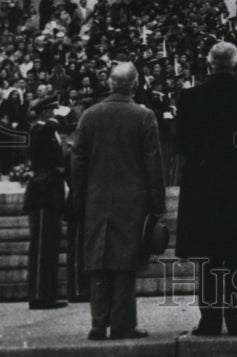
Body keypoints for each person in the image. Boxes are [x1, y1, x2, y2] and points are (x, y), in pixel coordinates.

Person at [175, 41, 237, 336]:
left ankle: (210, 319)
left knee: (208, 256)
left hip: (203, 182)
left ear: (209, 64)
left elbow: (179, 142)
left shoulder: (189, 97)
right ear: (236, 63)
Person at [71, 62, 166, 340]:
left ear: (110, 84)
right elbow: (153, 163)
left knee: (99, 261)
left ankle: (98, 323)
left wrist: (78, 200)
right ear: (135, 84)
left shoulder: (89, 116)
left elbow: (77, 162)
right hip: (132, 201)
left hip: (96, 199)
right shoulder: (144, 116)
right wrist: (157, 204)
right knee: (125, 263)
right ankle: (123, 324)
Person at [23, 94, 67, 309]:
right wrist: (52, 122)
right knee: (41, 247)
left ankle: (47, 294)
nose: (54, 112)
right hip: (42, 191)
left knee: (50, 247)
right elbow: (42, 134)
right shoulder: (39, 129)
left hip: (52, 192)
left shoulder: (50, 131)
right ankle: (39, 295)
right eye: (51, 109)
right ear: (44, 111)